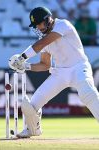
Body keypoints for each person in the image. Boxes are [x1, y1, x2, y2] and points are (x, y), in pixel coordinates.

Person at [9, 7, 99, 138]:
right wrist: (25, 66)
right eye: (36, 25)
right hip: (60, 73)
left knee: (88, 93)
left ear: (47, 19)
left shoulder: (62, 25)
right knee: (32, 104)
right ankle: (33, 129)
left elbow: (42, 43)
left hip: (79, 67)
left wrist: (22, 57)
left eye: (39, 23)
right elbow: (45, 65)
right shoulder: (44, 37)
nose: (38, 28)